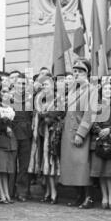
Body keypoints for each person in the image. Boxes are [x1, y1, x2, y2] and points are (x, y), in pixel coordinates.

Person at [60, 59, 96, 209]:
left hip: (81, 133)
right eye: (74, 71)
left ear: (87, 73)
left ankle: (89, 197)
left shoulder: (92, 90)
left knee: (83, 166)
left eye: (80, 71)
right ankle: (79, 195)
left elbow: (90, 114)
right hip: (68, 133)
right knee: (72, 166)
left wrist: (81, 134)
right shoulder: (73, 90)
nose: (76, 74)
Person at [30, 76, 65, 204]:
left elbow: (59, 114)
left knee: (52, 163)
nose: (44, 87)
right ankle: (48, 191)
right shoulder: (40, 100)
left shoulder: (58, 99)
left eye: (47, 84)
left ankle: (54, 192)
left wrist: (47, 116)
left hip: (53, 135)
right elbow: (35, 115)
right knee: (44, 162)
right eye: (43, 85)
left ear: (52, 85)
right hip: (41, 134)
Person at [90, 82, 111, 210]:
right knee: (101, 172)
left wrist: (109, 129)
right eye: (105, 88)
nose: (108, 90)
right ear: (101, 91)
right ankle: (104, 196)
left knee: (110, 172)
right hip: (99, 140)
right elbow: (91, 120)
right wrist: (99, 131)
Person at [11, 73, 34, 201]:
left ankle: (23, 191)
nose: (21, 86)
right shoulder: (9, 98)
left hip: (26, 133)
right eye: (19, 83)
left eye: (24, 84)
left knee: (24, 164)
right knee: (12, 163)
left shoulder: (30, 99)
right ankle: (10, 190)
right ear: (14, 84)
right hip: (12, 133)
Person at [0, 85, 17, 204]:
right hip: (0, 141)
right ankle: (1, 194)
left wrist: (10, 126)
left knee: (6, 169)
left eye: (7, 92)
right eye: (3, 91)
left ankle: (7, 193)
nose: (5, 94)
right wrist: (5, 126)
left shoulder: (13, 108)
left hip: (10, 142)